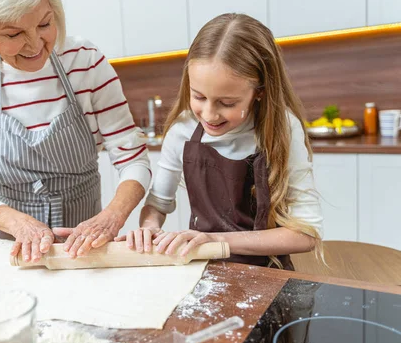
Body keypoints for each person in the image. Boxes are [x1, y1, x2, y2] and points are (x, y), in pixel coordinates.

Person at [0, 0, 151, 263]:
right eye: (14, 33)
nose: (35, 45)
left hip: (84, 250)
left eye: (44, 24)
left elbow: (133, 160)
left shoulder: (85, 61)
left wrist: (111, 216)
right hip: (9, 249)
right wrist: (20, 224)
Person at [118, 13, 323, 269]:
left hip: (269, 273)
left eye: (227, 103)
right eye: (199, 97)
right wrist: (148, 229)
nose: (209, 115)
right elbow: (157, 204)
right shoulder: (182, 130)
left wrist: (215, 239)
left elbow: (306, 234)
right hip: (202, 268)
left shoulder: (282, 128)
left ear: (259, 92)